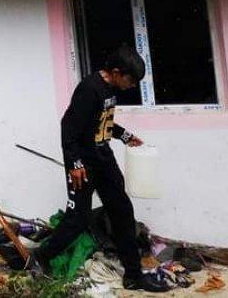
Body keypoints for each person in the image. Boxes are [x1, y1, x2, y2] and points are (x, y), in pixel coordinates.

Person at [29, 47, 170, 293]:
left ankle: (134, 276)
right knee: (78, 217)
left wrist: (125, 135)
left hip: (103, 158)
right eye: (130, 80)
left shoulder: (109, 90)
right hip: (83, 164)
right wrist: (74, 163)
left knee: (122, 211)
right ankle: (41, 255)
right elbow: (68, 127)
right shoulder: (89, 89)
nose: (131, 85)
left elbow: (101, 121)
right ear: (116, 72)